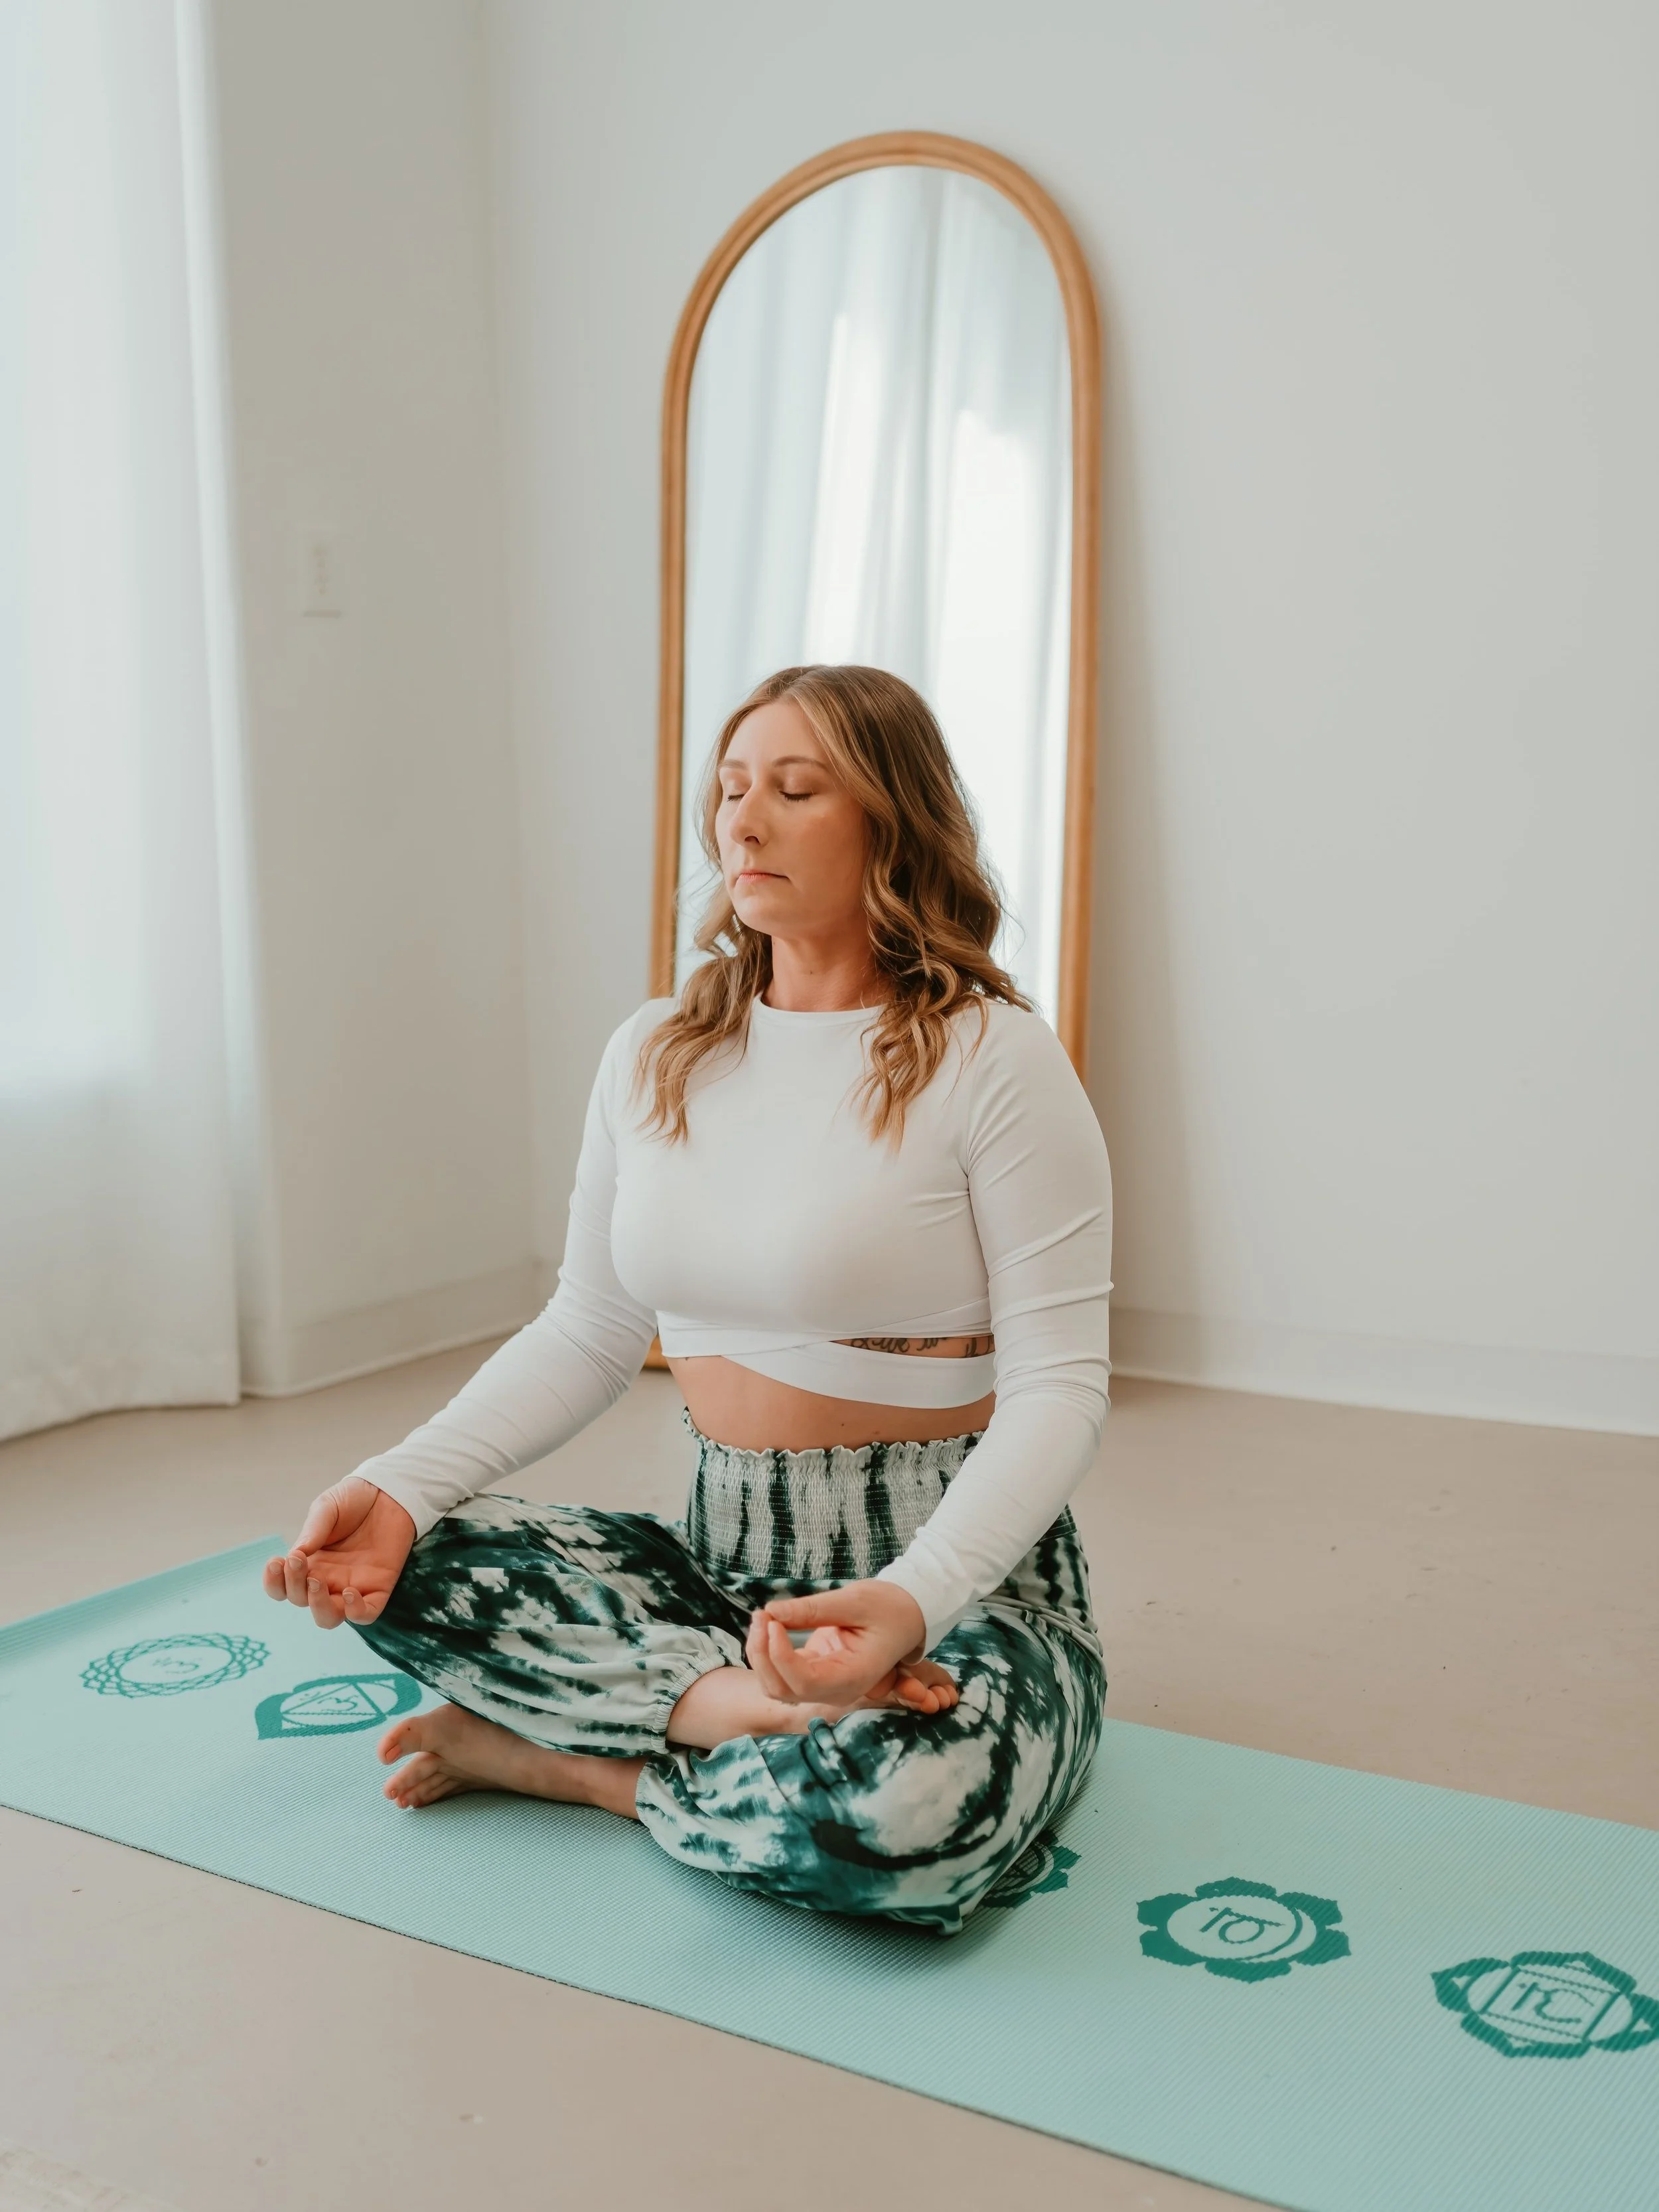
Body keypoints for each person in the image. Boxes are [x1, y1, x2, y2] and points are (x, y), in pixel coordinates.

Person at [263, 663, 1113, 1933]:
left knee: (919, 1823)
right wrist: (402, 1483)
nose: (743, 823)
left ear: (891, 819)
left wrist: (907, 1601)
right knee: (406, 1565)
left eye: (795, 788)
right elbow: (593, 1327)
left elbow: (1059, 1384)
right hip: (720, 1569)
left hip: (959, 1586)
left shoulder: (993, 1059)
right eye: (729, 791)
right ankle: (756, 1723)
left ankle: (580, 1764)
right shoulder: (659, 1049)